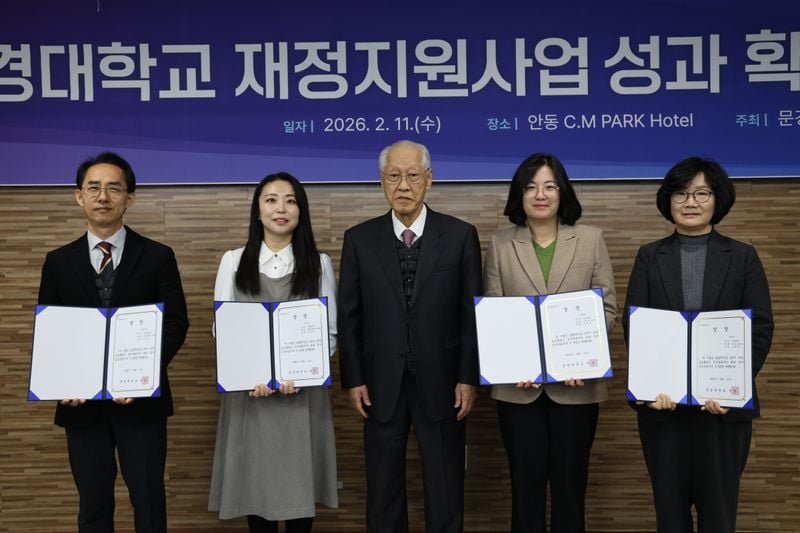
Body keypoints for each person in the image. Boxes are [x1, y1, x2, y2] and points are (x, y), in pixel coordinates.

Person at [37, 152, 189, 533]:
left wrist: (141, 375)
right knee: (93, 504)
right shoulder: (57, 261)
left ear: (129, 198)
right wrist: (62, 381)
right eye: (94, 187)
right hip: (82, 405)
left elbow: (175, 323)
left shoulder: (157, 257)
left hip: (141, 403)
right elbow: (51, 330)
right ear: (79, 196)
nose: (103, 196)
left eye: (113, 188)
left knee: (149, 502)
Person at [338, 140, 482, 533]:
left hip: (444, 380)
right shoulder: (359, 239)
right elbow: (349, 317)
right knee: (382, 487)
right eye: (394, 176)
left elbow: (472, 315)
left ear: (429, 180)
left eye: (412, 176)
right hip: (380, 381)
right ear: (382, 182)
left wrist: (468, 376)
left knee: (445, 482)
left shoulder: (459, 236)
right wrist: (353, 378)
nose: (403, 185)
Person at [623, 157, 773, 533]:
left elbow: (761, 328)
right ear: (668, 201)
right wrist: (649, 385)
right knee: (670, 517)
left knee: (719, 517)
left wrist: (732, 385)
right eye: (681, 193)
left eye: (701, 193)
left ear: (717, 199)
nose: (690, 202)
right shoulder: (648, 255)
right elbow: (635, 326)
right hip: (664, 410)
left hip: (721, 412)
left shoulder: (742, 256)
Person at [483, 153, 616, 533]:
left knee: (570, 490)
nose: (540, 195)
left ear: (563, 192)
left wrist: (582, 360)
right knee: (524, 491)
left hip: (577, 389)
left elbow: (607, 308)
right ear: (519, 195)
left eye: (549, 186)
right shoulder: (501, 243)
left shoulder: (590, 239)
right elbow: (494, 313)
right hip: (517, 391)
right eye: (530, 187)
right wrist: (514, 363)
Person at [208, 172, 338, 533]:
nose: (281, 208)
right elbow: (224, 330)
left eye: (291, 200)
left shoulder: (319, 263)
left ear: (301, 210)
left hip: (302, 397)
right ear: (258, 210)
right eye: (271, 200)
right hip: (251, 397)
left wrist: (306, 371)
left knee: (300, 497)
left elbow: (329, 333)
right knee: (256, 496)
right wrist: (250, 374)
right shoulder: (233, 261)